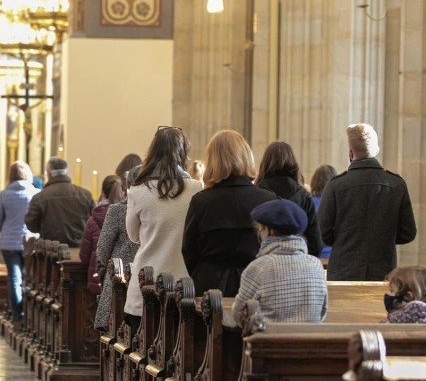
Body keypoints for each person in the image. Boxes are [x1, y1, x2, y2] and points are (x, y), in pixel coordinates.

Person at [126, 127, 204, 334]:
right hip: (185, 287)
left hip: (147, 283)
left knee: (142, 353)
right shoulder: (197, 188)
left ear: (153, 152)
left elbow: (133, 235)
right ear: (183, 153)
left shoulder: (138, 190)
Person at [182, 130, 277, 297]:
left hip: (209, 288)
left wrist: (204, 274)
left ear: (212, 161)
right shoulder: (268, 199)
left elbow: (189, 251)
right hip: (257, 286)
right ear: (247, 157)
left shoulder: (201, 202)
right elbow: (275, 248)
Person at [318, 123, 416, 280]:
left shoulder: (336, 185)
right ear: (376, 150)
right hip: (383, 272)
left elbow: (322, 233)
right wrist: (384, 236)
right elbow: (408, 233)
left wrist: (343, 240)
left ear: (350, 153)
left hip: (343, 273)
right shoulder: (396, 184)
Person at [232, 199, 327, 324]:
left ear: (269, 231)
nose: (259, 233)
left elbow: (239, 314)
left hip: (268, 342)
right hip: (310, 340)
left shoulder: (259, 267)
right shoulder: (315, 264)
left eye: (261, 228)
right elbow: (322, 312)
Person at [256, 141, 323, 257]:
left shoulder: (256, 193)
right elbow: (316, 243)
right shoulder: (304, 196)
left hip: (262, 263)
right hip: (296, 261)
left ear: (265, 164)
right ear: (292, 164)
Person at [94, 171, 140, 331]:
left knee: (116, 329)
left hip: (119, 278)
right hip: (147, 278)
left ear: (127, 186)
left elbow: (102, 250)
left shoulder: (118, 210)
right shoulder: (158, 210)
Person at [0, 161, 38, 323]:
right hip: (30, 241)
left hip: (9, 243)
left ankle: (17, 315)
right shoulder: (35, 193)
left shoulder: (4, 194)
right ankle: (30, 314)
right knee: (30, 278)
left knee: (14, 279)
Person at [25, 157, 94, 247]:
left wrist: (45, 228)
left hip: (51, 250)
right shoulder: (85, 194)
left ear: (48, 173)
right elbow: (93, 221)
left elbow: (31, 225)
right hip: (80, 248)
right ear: (65, 171)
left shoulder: (40, 197)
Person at [79, 175, 124, 302]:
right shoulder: (126, 218)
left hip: (98, 277)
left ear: (103, 192)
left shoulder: (93, 220)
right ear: (122, 192)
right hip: (120, 277)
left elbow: (84, 255)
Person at [309, 164, 337, 261]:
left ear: (314, 182)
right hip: (334, 256)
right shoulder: (337, 203)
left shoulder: (308, 203)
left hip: (313, 257)